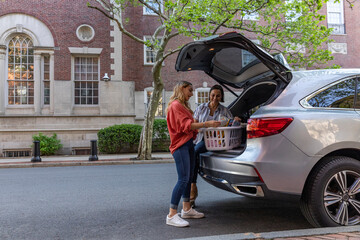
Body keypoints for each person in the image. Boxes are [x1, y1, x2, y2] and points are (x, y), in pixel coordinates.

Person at [166, 81, 221, 227]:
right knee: (183, 179)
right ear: (181, 89)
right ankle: (172, 214)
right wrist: (207, 124)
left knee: (189, 178)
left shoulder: (182, 106)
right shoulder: (176, 105)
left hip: (189, 143)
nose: (191, 93)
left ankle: (186, 209)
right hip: (181, 146)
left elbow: (190, 124)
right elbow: (186, 126)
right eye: (189, 90)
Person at [191, 85, 241, 207]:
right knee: (193, 153)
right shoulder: (201, 108)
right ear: (209, 95)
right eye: (213, 95)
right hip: (200, 138)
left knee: (195, 152)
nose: (215, 98)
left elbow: (231, 126)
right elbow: (194, 124)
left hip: (216, 141)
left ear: (221, 97)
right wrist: (206, 125)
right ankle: (192, 187)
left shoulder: (224, 111)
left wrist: (235, 120)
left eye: (218, 96)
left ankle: (192, 187)